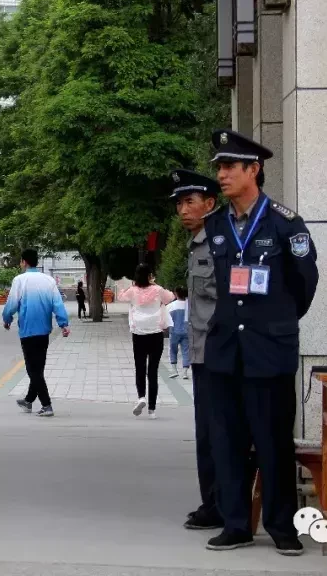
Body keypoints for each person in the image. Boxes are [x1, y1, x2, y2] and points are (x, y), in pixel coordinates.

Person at [202, 130, 318, 556]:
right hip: (226, 351)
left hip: (269, 350)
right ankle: (236, 523)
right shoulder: (215, 225)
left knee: (272, 441)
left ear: (255, 169)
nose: (222, 174)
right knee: (227, 440)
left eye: (230, 166)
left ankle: (281, 526)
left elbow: (305, 284)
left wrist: (277, 321)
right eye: (219, 166)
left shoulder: (285, 223)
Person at [169, 168, 226, 531]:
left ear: (210, 203)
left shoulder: (222, 244)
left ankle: (223, 506)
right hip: (202, 354)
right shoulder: (196, 245)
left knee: (220, 434)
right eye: (179, 204)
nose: (183, 210)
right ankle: (212, 504)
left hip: (221, 354)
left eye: (189, 202)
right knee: (205, 434)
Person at [2, 249, 71, 418]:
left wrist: (7, 318)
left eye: (20, 261)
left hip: (28, 331)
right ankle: (28, 400)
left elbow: (11, 304)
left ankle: (47, 405)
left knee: (33, 370)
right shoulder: (48, 281)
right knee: (38, 367)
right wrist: (64, 324)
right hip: (44, 331)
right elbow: (58, 304)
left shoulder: (20, 280)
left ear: (24, 262)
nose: (20, 264)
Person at [116, 264, 175, 419]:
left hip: (138, 333)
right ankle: (152, 410)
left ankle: (141, 397)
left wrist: (128, 285)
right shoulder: (157, 290)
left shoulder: (133, 291)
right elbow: (171, 297)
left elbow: (121, 297)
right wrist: (155, 284)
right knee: (153, 371)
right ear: (150, 276)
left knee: (140, 367)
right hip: (156, 333)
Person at [166, 286, 190, 379]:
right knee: (186, 351)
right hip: (186, 332)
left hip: (174, 332)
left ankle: (174, 370)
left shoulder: (171, 306)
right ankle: (185, 372)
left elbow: (165, 317)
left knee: (173, 350)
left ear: (176, 294)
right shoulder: (189, 305)